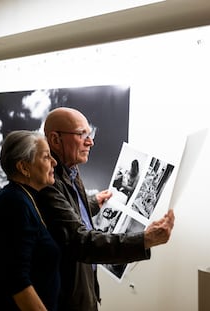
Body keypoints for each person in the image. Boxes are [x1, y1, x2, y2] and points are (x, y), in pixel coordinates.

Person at [38, 107, 175, 311]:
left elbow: (67, 213)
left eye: (90, 134)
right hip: (68, 301)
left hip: (83, 291)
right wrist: (145, 239)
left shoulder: (71, 171)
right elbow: (80, 241)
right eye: (81, 134)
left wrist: (93, 202)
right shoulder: (48, 183)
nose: (90, 141)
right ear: (56, 140)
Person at [0, 130, 60, 311]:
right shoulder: (13, 203)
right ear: (24, 167)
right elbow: (17, 282)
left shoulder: (24, 198)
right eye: (46, 157)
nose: (54, 162)